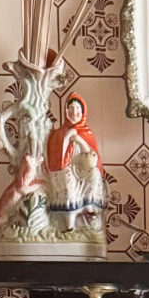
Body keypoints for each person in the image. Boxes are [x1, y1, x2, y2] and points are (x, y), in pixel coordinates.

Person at [45, 91, 105, 234]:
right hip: (65, 168)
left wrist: (77, 138)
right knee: (68, 182)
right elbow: (57, 156)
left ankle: (88, 204)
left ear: (83, 111)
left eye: (78, 109)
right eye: (70, 108)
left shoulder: (86, 132)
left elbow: (91, 155)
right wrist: (66, 137)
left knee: (95, 174)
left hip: (83, 167)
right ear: (66, 111)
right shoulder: (59, 133)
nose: (74, 112)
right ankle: (69, 224)